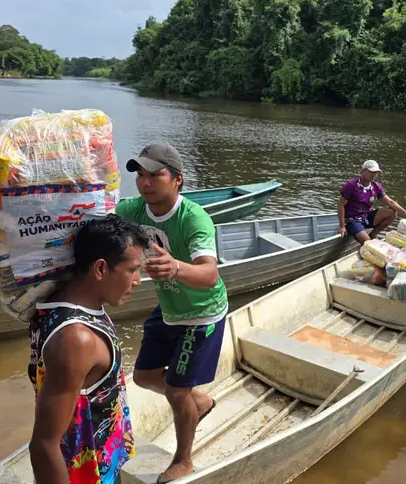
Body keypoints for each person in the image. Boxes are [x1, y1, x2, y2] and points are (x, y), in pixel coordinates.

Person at [115, 142, 228, 484]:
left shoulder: (193, 218)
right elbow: (96, 218)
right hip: (168, 308)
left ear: (178, 179)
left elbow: (210, 274)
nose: (145, 182)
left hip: (201, 313)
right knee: (143, 376)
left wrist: (176, 267)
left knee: (177, 391)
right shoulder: (132, 209)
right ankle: (200, 402)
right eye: (140, 175)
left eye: (155, 175)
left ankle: (184, 460)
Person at [28, 214, 149, 484]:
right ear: (100, 269)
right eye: (132, 269)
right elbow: (44, 444)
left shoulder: (61, 304)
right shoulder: (77, 339)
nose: (138, 280)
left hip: (102, 463)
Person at [338, 159, 406, 245]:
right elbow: (341, 205)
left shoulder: (375, 186)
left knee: (392, 212)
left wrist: (405, 213)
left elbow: (390, 202)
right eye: (371, 172)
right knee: (369, 243)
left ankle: (374, 233)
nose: (374, 175)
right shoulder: (351, 185)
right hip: (352, 220)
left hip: (366, 216)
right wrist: (342, 226)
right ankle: (366, 238)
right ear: (363, 171)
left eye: (376, 173)